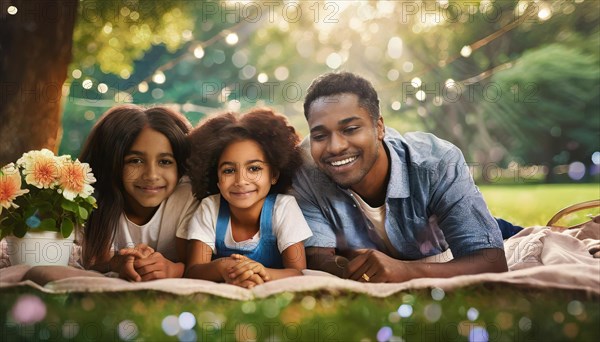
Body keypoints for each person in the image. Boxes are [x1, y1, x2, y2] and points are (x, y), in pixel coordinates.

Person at [292, 72, 518, 283]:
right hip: (398, 245)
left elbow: (492, 263)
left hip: (448, 239)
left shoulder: (437, 162)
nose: (335, 147)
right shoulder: (307, 169)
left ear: (379, 127)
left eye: (350, 129)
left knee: (526, 236)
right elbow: (317, 256)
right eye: (320, 135)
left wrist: (404, 270)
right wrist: (348, 263)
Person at [178, 109, 312, 288]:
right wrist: (225, 267)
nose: (241, 181)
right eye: (229, 170)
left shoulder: (283, 208)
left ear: (274, 174)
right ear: (215, 177)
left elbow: (297, 272)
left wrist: (260, 272)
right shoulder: (210, 208)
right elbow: (193, 270)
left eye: (254, 169)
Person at [79, 104, 198, 281]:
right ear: (111, 163)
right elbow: (84, 262)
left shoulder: (188, 197)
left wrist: (173, 269)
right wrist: (115, 264)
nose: (151, 175)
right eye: (135, 161)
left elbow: (201, 263)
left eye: (165, 162)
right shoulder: (87, 201)